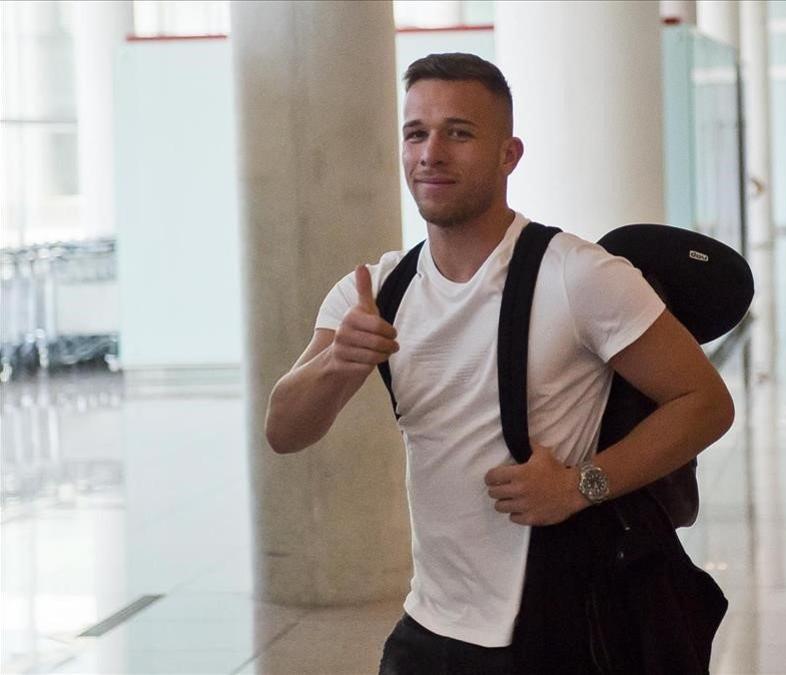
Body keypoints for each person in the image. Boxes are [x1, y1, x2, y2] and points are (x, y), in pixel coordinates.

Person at [263, 52, 734, 674]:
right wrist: (338, 364)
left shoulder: (578, 274)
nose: (432, 152)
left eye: (459, 133)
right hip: (430, 622)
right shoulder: (374, 290)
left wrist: (581, 485)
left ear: (508, 155)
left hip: (558, 622)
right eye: (416, 133)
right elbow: (285, 431)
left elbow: (705, 403)